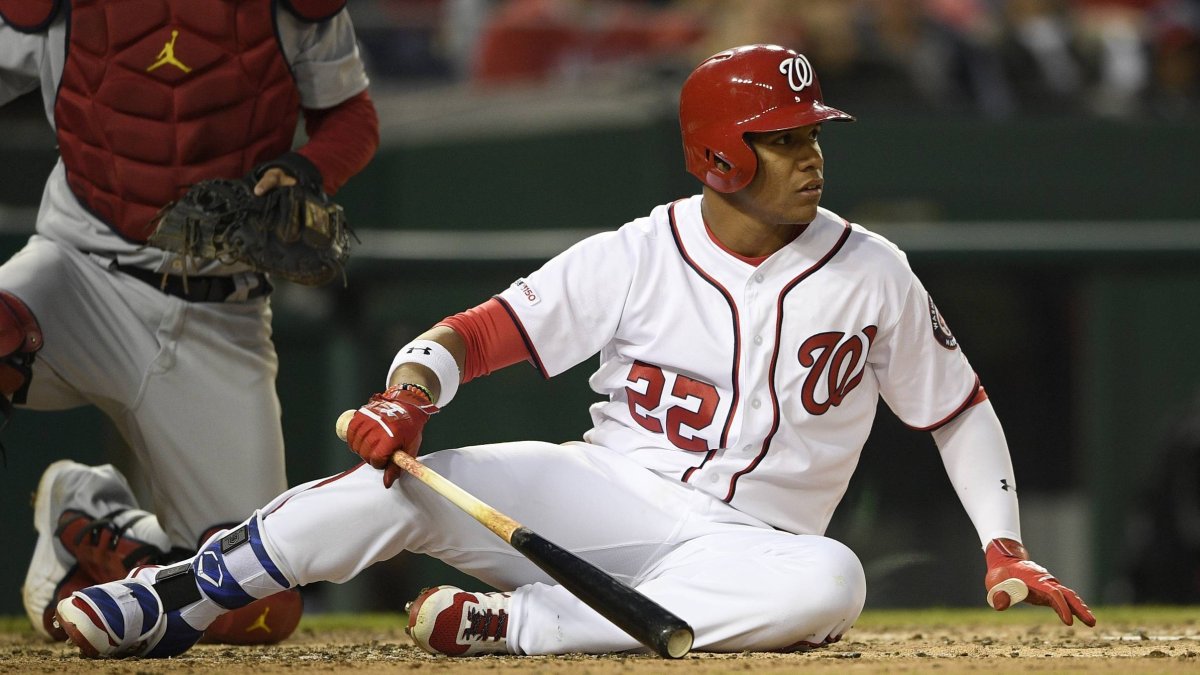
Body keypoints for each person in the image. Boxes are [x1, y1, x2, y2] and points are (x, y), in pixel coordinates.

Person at [53, 44, 1093, 660]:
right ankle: (179, 593)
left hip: (750, 550)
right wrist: (411, 394)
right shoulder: (642, 251)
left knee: (832, 584)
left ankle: (521, 628)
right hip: (607, 494)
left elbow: (954, 408)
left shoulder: (873, 271)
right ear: (720, 154)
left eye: (810, 132)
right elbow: (477, 334)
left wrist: (1004, 543)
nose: (810, 152)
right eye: (783, 137)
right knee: (409, 484)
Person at [0, 0, 379, 646]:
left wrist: (306, 170)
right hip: (80, 267)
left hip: (218, 304)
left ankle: (96, 523)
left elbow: (351, 117)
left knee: (257, 607)